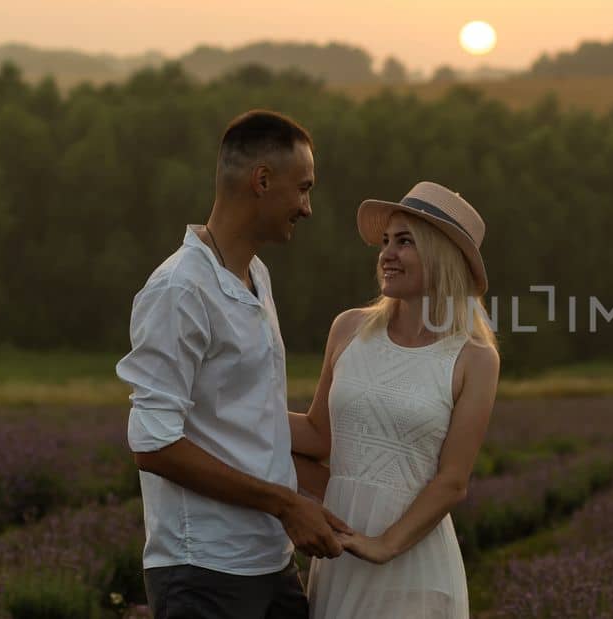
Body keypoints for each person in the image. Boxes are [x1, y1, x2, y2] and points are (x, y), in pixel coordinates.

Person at [117, 109, 352, 618]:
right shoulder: (180, 290)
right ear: (262, 181)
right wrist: (287, 504)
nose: (308, 208)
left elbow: (245, 421)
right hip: (204, 571)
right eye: (303, 188)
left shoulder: (257, 277)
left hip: (270, 563)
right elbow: (153, 443)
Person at [290, 181, 501, 618]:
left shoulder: (474, 359)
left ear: (443, 256)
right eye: (386, 241)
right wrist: (231, 412)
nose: (387, 253)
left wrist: (384, 545)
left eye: (405, 242)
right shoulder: (349, 329)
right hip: (340, 555)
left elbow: (452, 481)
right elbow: (316, 435)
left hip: (413, 565)